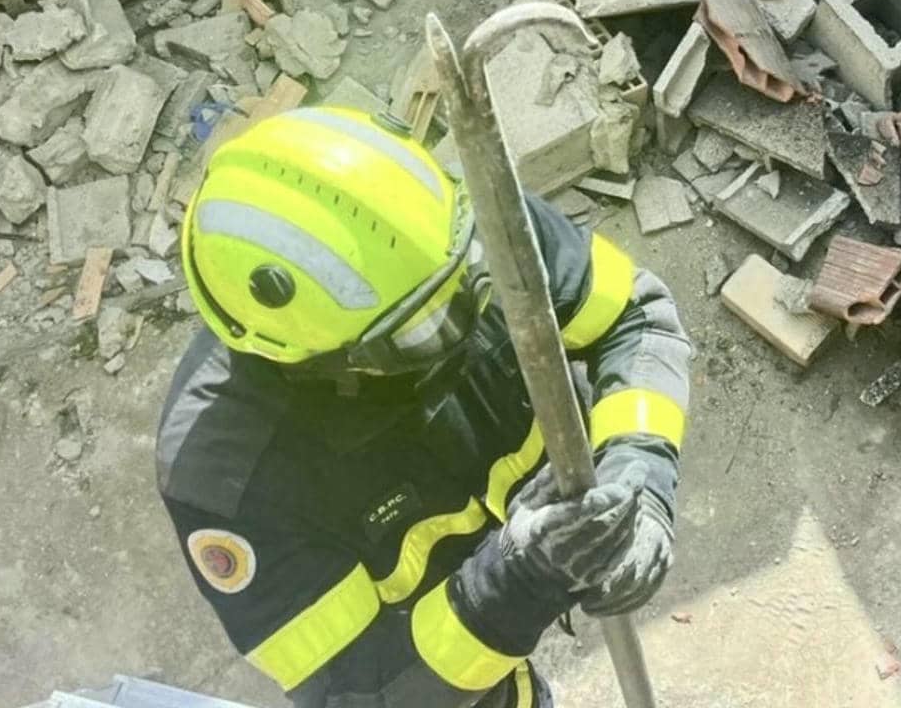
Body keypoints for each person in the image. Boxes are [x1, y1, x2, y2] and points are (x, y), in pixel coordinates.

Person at [155, 106, 690, 707]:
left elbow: (635, 315)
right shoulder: (227, 481)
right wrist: (512, 584)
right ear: (315, 360)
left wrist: (640, 470)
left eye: (469, 280)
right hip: (445, 638)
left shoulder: (444, 231)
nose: (469, 320)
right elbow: (360, 692)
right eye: (426, 327)